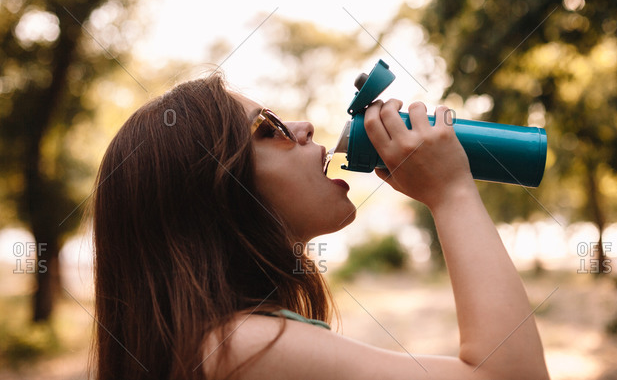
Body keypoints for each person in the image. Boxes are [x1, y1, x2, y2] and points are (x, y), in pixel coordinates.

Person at [91, 73, 549, 380]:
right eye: (268, 130)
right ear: (210, 195)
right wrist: (452, 193)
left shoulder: (220, 344)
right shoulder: (241, 348)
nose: (304, 126)